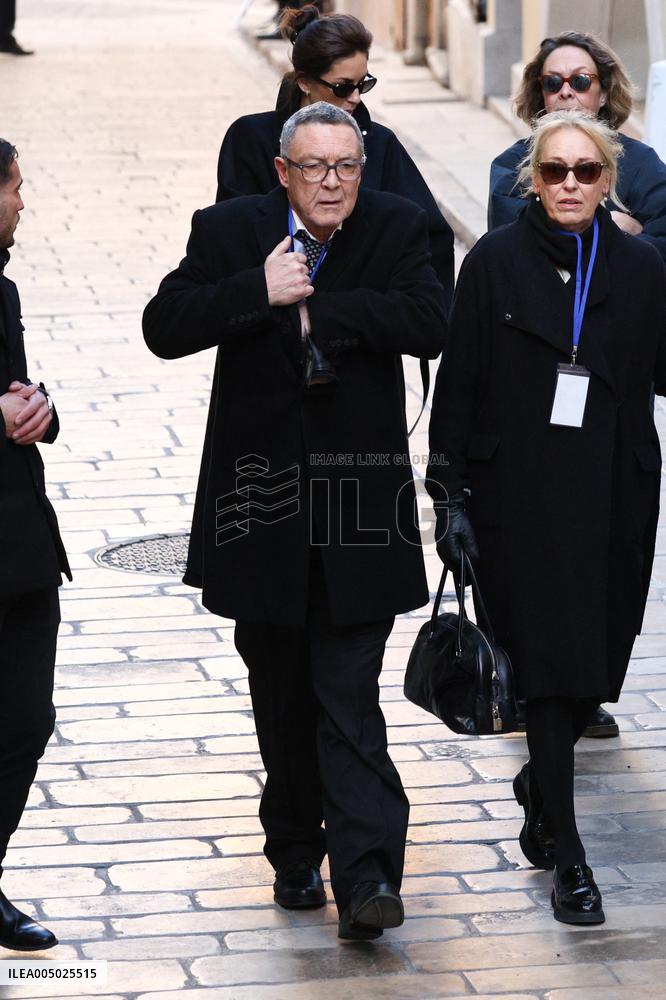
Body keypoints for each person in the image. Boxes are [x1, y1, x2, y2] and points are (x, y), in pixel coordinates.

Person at [144, 102, 447, 941]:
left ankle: (369, 877)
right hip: (259, 512)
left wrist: (326, 313)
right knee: (281, 699)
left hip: (360, 512)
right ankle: (292, 852)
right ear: (281, 171)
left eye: (346, 166)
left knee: (348, 698)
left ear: (363, 165)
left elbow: (431, 320)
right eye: (313, 167)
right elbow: (162, 327)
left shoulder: (395, 225)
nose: (331, 183)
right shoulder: (231, 229)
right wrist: (259, 292)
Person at [428, 109, 666, 925]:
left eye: (586, 172)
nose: (569, 185)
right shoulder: (493, 262)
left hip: (613, 492)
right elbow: (456, 383)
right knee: (549, 673)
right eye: (555, 171)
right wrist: (447, 492)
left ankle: (541, 781)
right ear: (532, 177)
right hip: (517, 498)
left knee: (595, 665)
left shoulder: (638, 267)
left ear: (608, 181)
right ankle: (571, 857)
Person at [487, 30, 666, 738]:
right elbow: (517, 241)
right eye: (555, 82)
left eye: (581, 81)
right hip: (533, 400)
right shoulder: (510, 166)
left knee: (602, 560)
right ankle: (537, 685)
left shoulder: (644, 164)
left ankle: (583, 688)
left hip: (612, 402)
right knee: (535, 557)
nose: (567, 92)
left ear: (605, 89)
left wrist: (625, 244)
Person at [217, 3, 454, 311]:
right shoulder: (250, 139)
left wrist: (404, 310)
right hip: (265, 334)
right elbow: (228, 243)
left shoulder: (381, 144)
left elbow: (430, 238)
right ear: (304, 81)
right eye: (342, 88)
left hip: (362, 337)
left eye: (363, 84)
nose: (355, 98)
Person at [0, 139, 70, 949]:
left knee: (24, 721)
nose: (24, 202)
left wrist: (37, 407)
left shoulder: (1, 287)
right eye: (15, 187)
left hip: (19, 551)